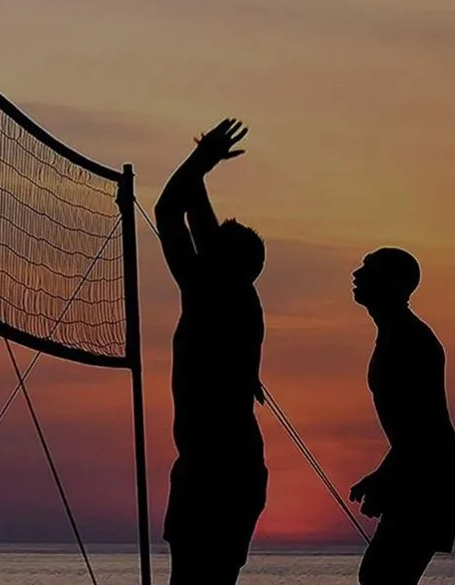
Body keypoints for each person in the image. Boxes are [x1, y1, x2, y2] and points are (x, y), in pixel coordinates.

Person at [154, 119, 267, 584]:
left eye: (214, 243)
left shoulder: (210, 292)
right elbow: (194, 211)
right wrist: (204, 165)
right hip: (234, 471)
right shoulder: (238, 294)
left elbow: (167, 210)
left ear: (223, 261)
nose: (207, 238)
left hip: (212, 475)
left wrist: (203, 161)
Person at [350, 247, 455, 584]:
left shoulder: (412, 340)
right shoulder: (392, 333)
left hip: (436, 471)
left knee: (381, 576)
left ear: (395, 283)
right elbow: (411, 431)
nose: (357, 275)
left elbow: (422, 431)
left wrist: (386, 478)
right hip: (420, 464)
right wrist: (381, 475)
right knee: (382, 576)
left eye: (369, 269)